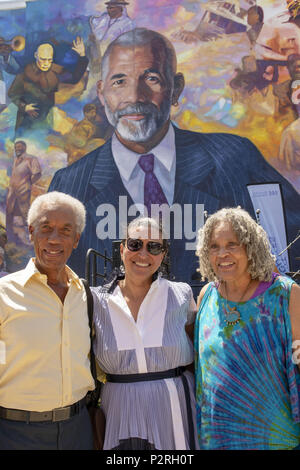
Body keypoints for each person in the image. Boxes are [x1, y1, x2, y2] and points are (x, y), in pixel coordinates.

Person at [48, 27, 300, 292]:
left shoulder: (237, 159)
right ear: (101, 93)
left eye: (152, 79)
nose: (135, 97)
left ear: (176, 88)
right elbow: (59, 296)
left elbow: (292, 254)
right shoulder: (69, 187)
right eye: (119, 81)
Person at [194, 207, 300, 450]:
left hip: (275, 440)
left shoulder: (285, 296)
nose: (222, 253)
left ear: (252, 247)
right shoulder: (206, 297)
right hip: (217, 438)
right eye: (214, 246)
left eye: (233, 244)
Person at [91, 216, 199, 450]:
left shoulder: (181, 295)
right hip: (119, 411)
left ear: (163, 254)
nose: (143, 254)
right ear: (122, 249)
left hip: (174, 410)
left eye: (154, 247)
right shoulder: (95, 301)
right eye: (135, 244)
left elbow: (197, 348)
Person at [0, 191, 95, 450]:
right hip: (15, 434)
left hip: (78, 430)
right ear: (31, 232)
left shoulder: (84, 294)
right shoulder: (3, 294)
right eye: (46, 228)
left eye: (65, 231)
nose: (54, 239)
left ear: (76, 239)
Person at [8, 39, 88, 135]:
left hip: (47, 116)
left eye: (49, 60)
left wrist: (82, 56)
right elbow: (12, 93)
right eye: (43, 59)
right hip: (27, 118)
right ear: (36, 56)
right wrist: (24, 107)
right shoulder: (25, 71)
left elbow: (74, 78)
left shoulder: (56, 70)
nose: (46, 63)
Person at [6, 140, 42, 244]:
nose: (17, 149)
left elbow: (37, 173)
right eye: (16, 147)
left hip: (23, 190)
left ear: (24, 148)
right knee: (9, 211)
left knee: (25, 212)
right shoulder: (14, 160)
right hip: (12, 191)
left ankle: (31, 237)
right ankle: (10, 237)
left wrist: (28, 184)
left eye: (20, 147)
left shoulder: (31, 159)